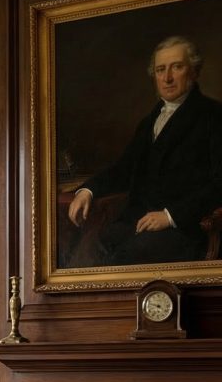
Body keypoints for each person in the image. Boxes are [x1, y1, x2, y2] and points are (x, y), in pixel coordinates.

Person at [67, 35, 222, 265]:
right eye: (160, 70)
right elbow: (124, 169)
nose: (167, 78)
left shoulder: (213, 116)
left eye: (177, 67)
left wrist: (170, 216)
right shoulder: (149, 122)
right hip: (136, 222)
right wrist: (87, 190)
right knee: (87, 249)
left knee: (121, 261)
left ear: (195, 71)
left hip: (184, 229)